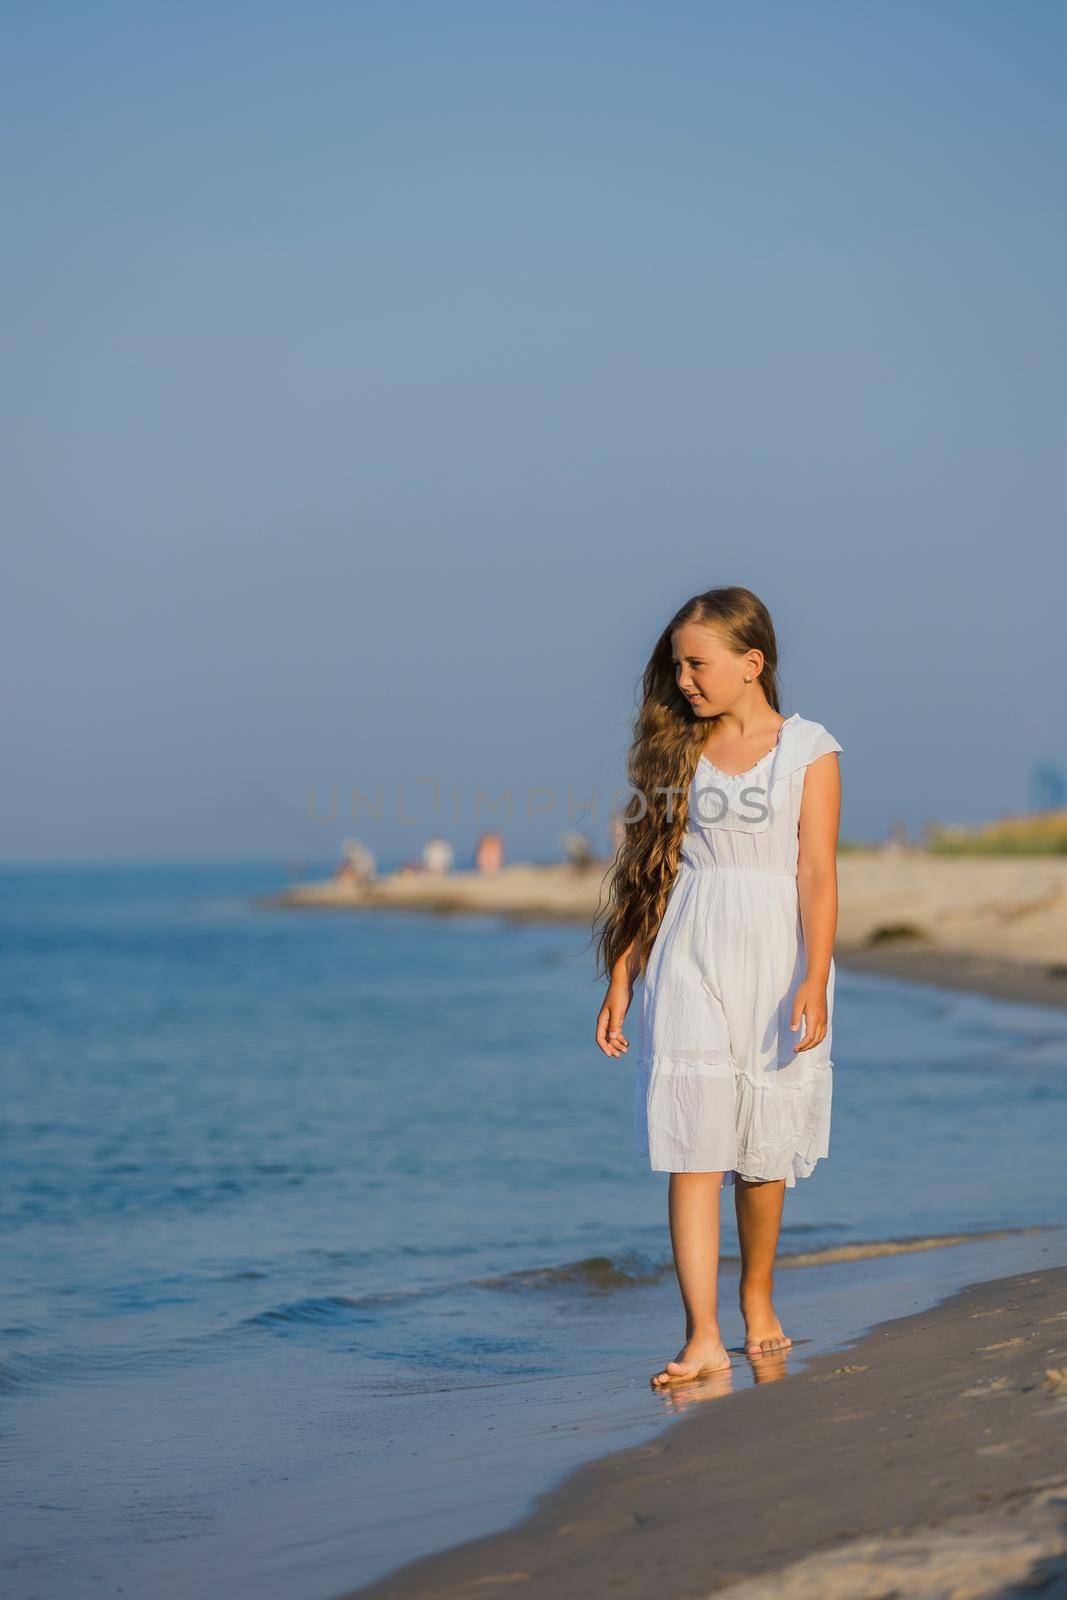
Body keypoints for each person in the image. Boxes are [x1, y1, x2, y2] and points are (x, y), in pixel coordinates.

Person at [592, 587, 843, 1386]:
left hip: (776, 954)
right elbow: (649, 874)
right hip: (690, 951)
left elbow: (815, 873)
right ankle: (701, 1336)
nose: (685, 680)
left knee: (762, 1153)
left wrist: (814, 975)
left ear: (751, 662)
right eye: (677, 666)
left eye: (696, 664)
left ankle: (757, 1295)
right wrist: (622, 975)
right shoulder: (674, 752)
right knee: (691, 1147)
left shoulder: (810, 749)